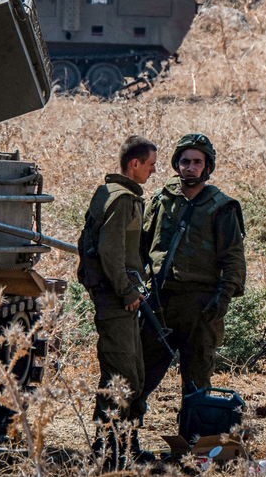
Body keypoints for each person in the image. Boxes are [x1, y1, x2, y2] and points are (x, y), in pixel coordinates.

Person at [138, 133, 246, 429]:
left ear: (207, 167)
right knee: (140, 377)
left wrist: (222, 299)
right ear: (176, 164)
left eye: (197, 162)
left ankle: (194, 447)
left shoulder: (221, 206)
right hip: (160, 301)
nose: (190, 167)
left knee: (197, 385)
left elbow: (234, 258)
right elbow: (140, 248)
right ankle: (124, 443)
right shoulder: (161, 201)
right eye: (185, 161)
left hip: (201, 304)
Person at [77, 134, 158, 464]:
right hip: (116, 298)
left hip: (118, 297)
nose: (153, 171)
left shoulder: (110, 192)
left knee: (132, 371)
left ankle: (124, 445)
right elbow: (110, 251)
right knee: (122, 374)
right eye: (151, 165)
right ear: (134, 164)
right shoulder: (122, 199)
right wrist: (126, 291)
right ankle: (110, 449)